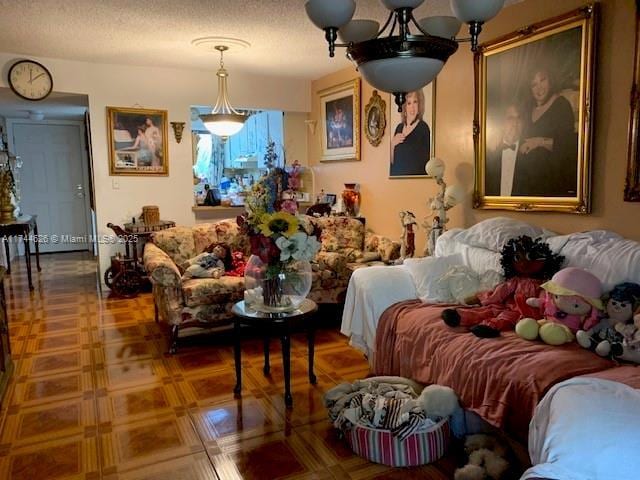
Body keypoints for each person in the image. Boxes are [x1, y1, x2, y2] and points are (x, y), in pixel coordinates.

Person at [511, 68, 577, 197]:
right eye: (534, 84)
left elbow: (570, 146)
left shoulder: (561, 105)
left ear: (550, 80)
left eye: (542, 80)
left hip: (552, 184)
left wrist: (539, 142)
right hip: (526, 183)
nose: (539, 87)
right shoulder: (528, 108)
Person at [485, 103, 525, 196]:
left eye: (519, 118)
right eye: (510, 118)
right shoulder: (489, 153)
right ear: (501, 124)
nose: (515, 123)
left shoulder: (531, 154)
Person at [390, 90, 430, 176]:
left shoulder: (423, 128)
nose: (412, 107)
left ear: (419, 104)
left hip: (416, 183)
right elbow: (392, 163)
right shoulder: (399, 128)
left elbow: (427, 164)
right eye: (409, 103)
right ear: (404, 106)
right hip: (397, 182)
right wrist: (392, 145)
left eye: (415, 102)